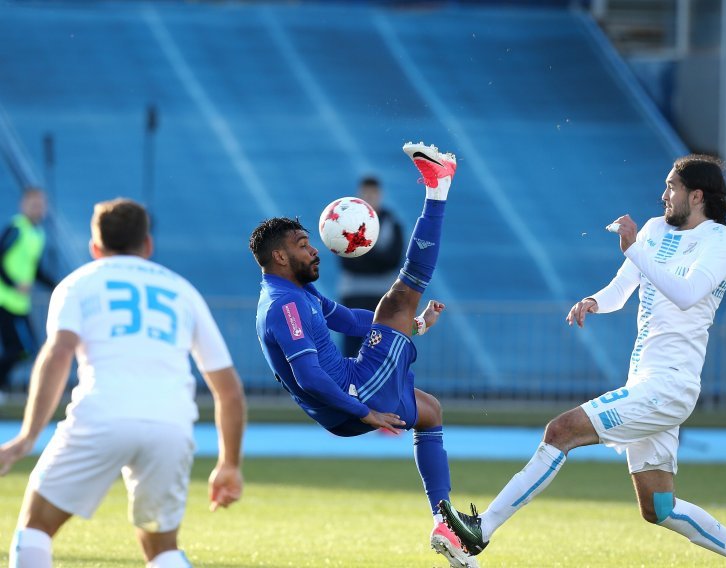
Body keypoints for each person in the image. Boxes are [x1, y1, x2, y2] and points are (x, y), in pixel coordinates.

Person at [439, 155, 726, 568]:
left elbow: (688, 294)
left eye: (671, 186)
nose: (663, 195)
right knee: (659, 507)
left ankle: (482, 529)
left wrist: (636, 249)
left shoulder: (719, 241)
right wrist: (594, 301)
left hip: (672, 385)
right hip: (645, 382)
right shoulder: (655, 230)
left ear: (696, 195)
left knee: (561, 430)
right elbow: (623, 289)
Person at [249, 142, 477, 568]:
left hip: (350, 388)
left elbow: (353, 323)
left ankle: (445, 523)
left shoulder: (298, 293)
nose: (314, 249)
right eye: (302, 245)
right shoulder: (286, 306)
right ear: (280, 257)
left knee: (429, 411)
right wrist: (364, 412)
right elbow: (310, 378)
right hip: (352, 394)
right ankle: (438, 186)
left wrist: (415, 326)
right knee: (402, 292)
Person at [0, 198, 246, 568]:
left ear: (95, 247)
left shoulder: (76, 284)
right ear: (148, 245)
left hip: (102, 415)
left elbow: (58, 353)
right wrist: (229, 463)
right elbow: (229, 390)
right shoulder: (183, 291)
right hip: (171, 426)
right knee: (162, 548)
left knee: (35, 529)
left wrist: (26, 438)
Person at [338, 176, 405, 357]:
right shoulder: (347, 223)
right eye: (365, 193)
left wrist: (362, 250)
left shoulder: (392, 223)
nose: (369, 198)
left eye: (373, 194)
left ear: (380, 195)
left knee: (381, 349)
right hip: (354, 296)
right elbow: (346, 261)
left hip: (383, 296)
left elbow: (393, 260)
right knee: (351, 349)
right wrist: (377, 256)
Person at [0, 187, 57, 399]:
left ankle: (3, 386)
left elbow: (36, 270)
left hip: (20, 303)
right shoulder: (16, 228)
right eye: (34, 204)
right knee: (17, 348)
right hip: (4, 300)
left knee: (28, 349)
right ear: (23, 205)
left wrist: (58, 285)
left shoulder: (38, 233)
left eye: (41, 205)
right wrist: (12, 283)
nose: (38, 208)